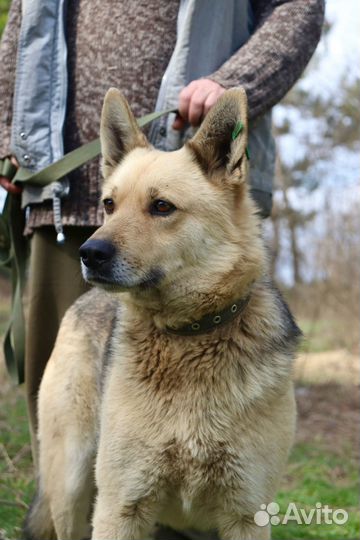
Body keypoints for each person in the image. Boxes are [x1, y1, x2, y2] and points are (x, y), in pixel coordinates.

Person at [0, 0, 324, 537]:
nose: (104, 241)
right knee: (79, 497)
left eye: (161, 210)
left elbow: (298, 9)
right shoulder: (109, 229)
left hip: (198, 151)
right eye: (113, 213)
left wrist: (235, 80)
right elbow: (21, 28)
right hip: (54, 192)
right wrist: (7, 130)